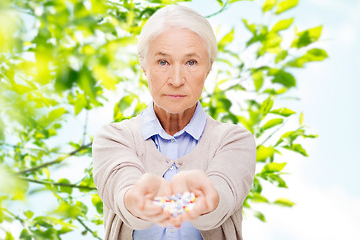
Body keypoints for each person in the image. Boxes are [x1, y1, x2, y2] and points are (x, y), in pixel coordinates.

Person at [92, 5, 256, 240]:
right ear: (144, 67)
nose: (177, 80)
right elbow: (122, 187)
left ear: (208, 68)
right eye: (163, 62)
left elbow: (224, 193)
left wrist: (206, 198)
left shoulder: (235, 140)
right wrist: (138, 198)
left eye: (191, 63)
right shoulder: (113, 137)